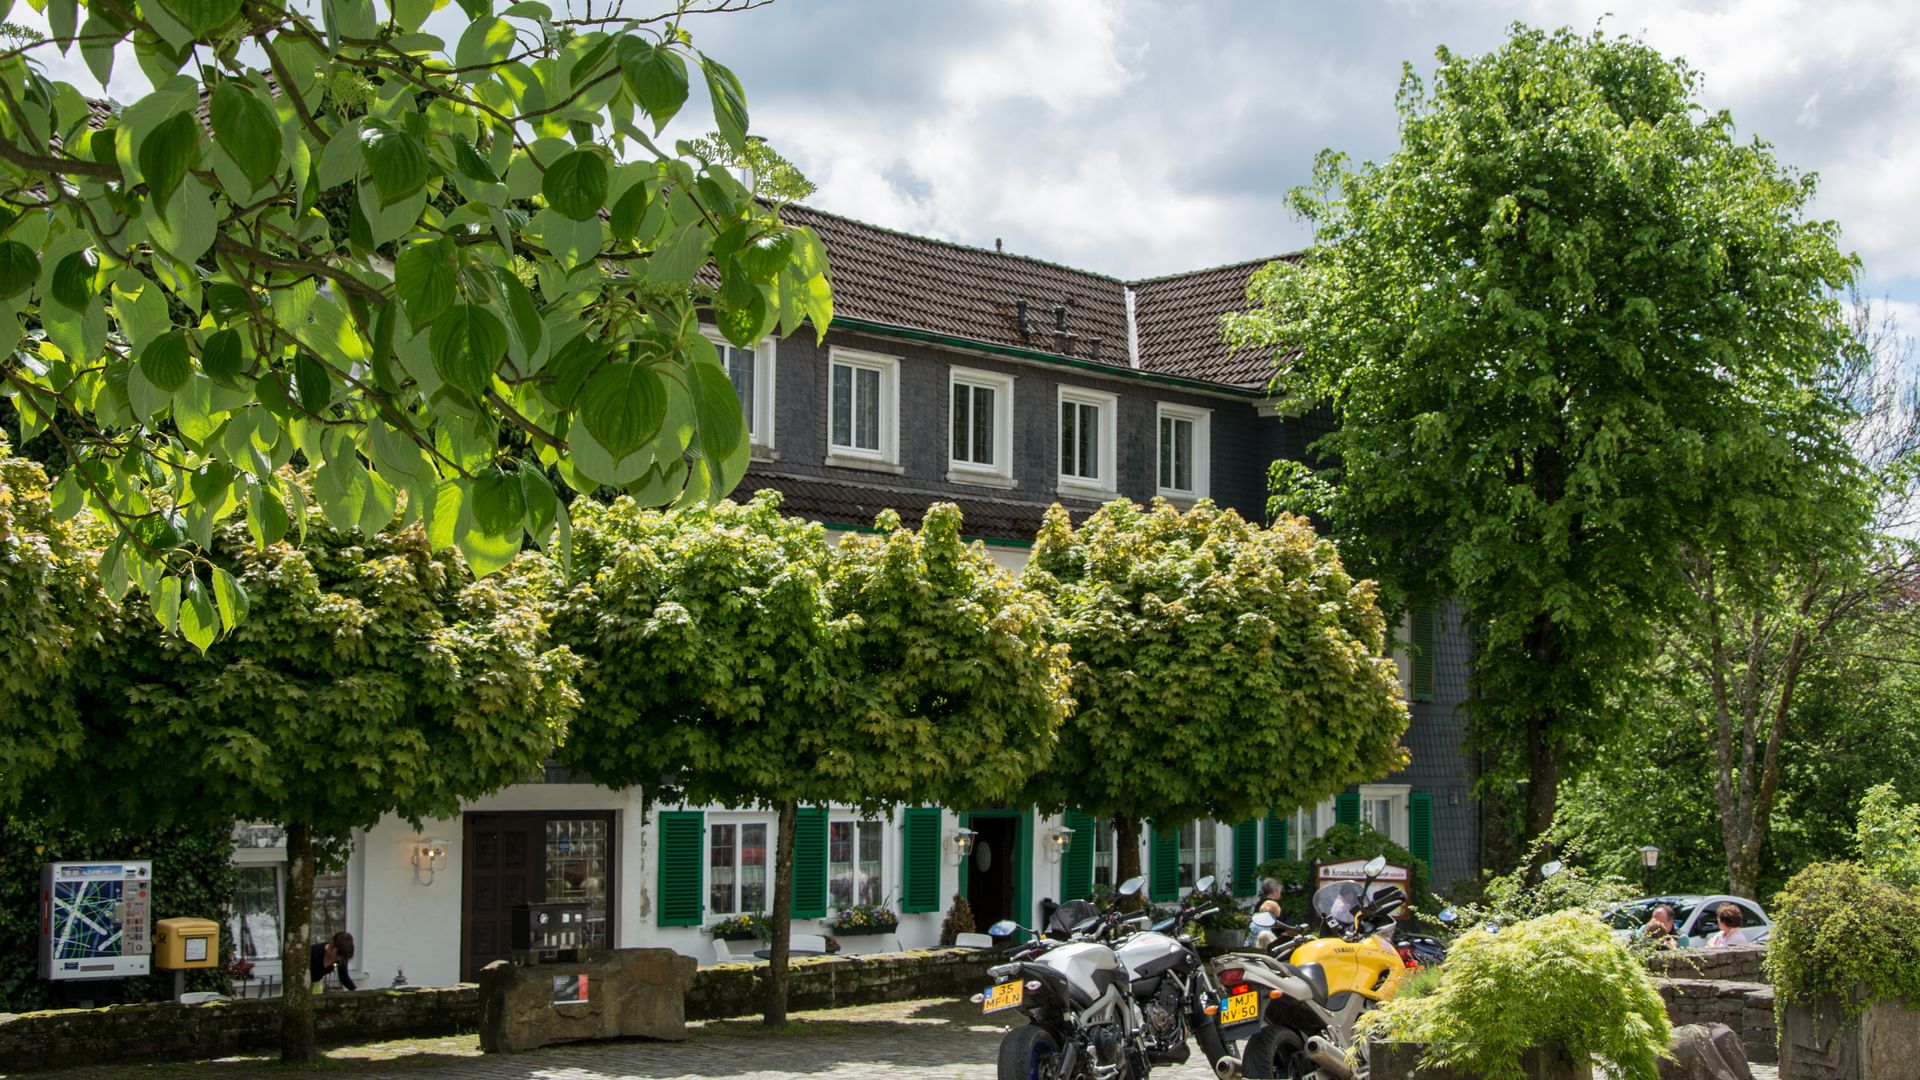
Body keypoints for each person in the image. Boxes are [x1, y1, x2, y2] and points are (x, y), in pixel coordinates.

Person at [1244, 878, 1284, 947]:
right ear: (1275, 891)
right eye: (1280, 892)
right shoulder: (1277, 906)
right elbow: (1282, 929)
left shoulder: (1259, 904)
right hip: (1269, 945)